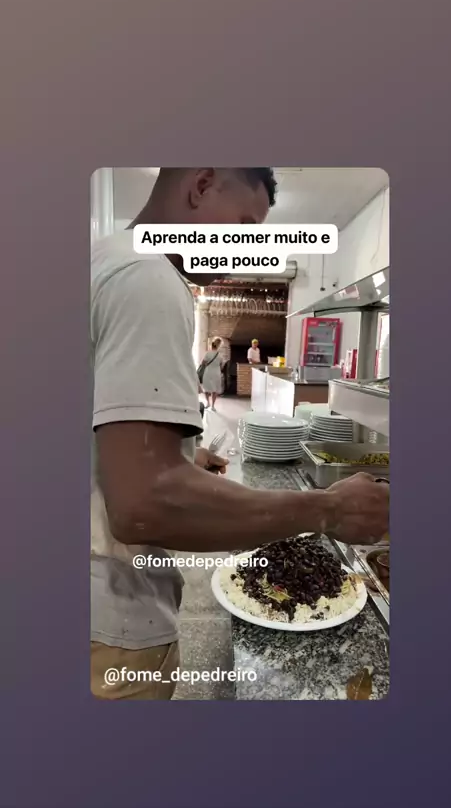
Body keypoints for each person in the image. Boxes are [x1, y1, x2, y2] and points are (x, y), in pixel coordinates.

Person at [91, 167, 389, 700]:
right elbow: (142, 507)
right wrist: (328, 510)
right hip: (109, 627)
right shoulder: (146, 278)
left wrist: (179, 455)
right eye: (246, 225)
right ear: (203, 184)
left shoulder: (102, 260)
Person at [200, 337, 223, 411]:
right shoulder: (220, 355)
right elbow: (221, 365)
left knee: (206, 389)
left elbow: (203, 363)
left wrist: (207, 364)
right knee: (215, 390)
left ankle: (208, 403)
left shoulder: (208, 353)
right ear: (218, 346)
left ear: (212, 345)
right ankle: (213, 406)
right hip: (216, 373)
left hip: (208, 372)